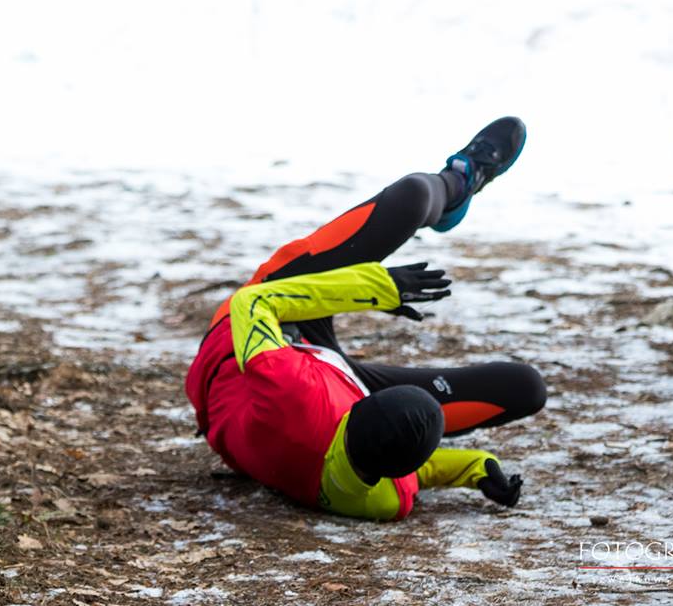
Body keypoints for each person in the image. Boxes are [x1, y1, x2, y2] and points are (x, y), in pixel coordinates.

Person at [185, 117, 547, 520]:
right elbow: (408, 468)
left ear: (358, 409)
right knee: (526, 389)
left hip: (247, 350)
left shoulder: (295, 392)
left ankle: (458, 182)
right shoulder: (388, 499)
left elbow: (251, 304)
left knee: (411, 197)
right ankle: (457, 187)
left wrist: (378, 288)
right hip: (319, 391)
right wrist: (476, 468)